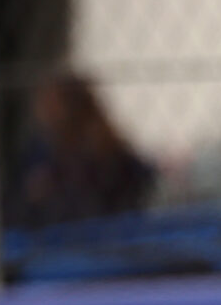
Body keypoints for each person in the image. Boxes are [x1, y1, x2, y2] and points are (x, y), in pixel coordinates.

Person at [19, 71, 154, 224]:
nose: (44, 114)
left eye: (52, 105)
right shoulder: (43, 151)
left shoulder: (105, 151)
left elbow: (139, 182)